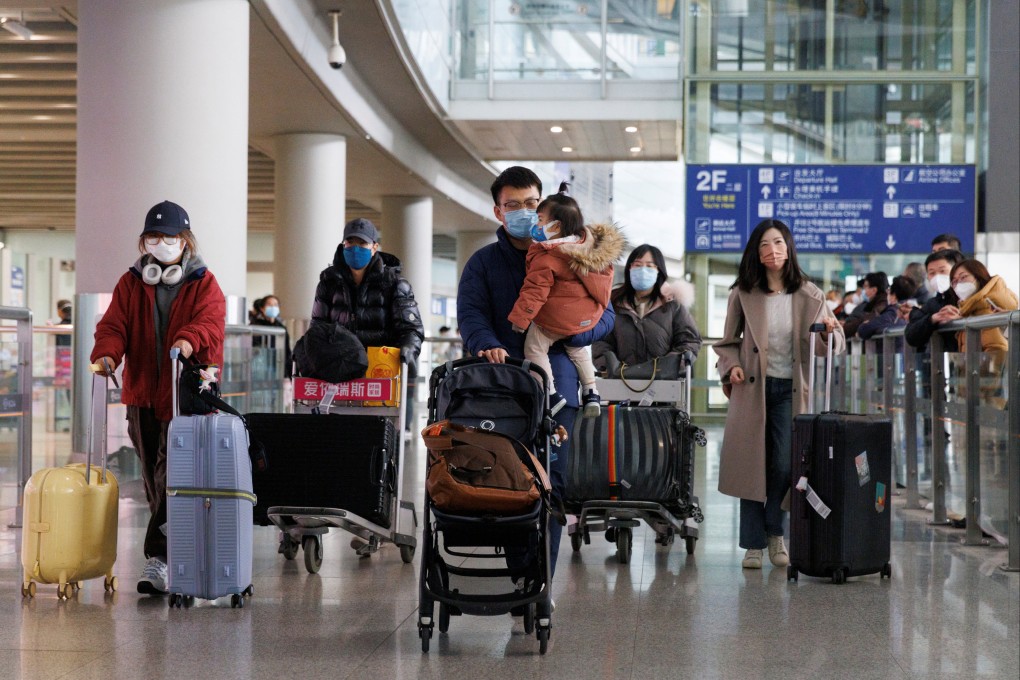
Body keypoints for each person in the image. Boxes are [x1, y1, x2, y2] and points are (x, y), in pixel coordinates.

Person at [457, 165, 615, 581]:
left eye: (532, 204)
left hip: (558, 379)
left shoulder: (578, 253)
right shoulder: (483, 263)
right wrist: (484, 342)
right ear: (498, 212)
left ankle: (539, 579)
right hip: (501, 381)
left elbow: (606, 316)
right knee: (507, 479)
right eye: (514, 205)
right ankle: (519, 572)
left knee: (552, 481)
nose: (526, 212)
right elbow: (471, 314)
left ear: (544, 207)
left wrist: (575, 331)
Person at [91, 200, 226, 595]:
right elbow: (114, 324)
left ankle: (161, 558)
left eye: (169, 237)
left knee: (174, 475)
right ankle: (174, 550)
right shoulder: (131, 282)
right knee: (152, 476)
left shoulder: (204, 282)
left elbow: (211, 322)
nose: (161, 244)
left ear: (185, 241)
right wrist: (106, 353)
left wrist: (188, 340)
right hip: (142, 395)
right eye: (154, 237)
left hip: (186, 393)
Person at [714, 218, 845, 570]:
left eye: (778, 243)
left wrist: (828, 330)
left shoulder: (809, 294)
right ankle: (753, 545)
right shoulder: (742, 292)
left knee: (785, 463)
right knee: (751, 465)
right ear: (754, 253)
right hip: (752, 391)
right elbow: (727, 343)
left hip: (790, 390)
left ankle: (776, 534)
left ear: (789, 248)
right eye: (763, 245)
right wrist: (731, 366)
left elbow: (834, 343)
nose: (771, 251)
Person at [508, 183, 624, 418]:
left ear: (555, 226)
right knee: (578, 349)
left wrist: (521, 319)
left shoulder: (548, 255)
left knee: (534, 346)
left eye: (540, 220)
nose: (536, 225)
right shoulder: (590, 251)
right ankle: (591, 391)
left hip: (555, 319)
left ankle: (550, 393)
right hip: (584, 320)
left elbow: (534, 290)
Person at [310, 217, 424, 370]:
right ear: (343, 245)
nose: (355, 249)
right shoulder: (329, 282)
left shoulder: (394, 284)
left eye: (363, 243)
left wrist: (409, 347)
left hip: (380, 368)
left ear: (374, 247)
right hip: (340, 369)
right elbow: (318, 327)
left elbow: (411, 329)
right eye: (350, 242)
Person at [592, 243, 702, 376]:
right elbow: (601, 341)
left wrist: (668, 366)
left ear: (658, 270)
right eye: (637, 265)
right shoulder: (614, 303)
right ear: (629, 268)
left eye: (649, 266)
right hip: (621, 384)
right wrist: (611, 367)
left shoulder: (673, 305)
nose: (643, 270)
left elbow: (689, 341)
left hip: (664, 386)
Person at [948, 259, 1018, 404]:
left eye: (963, 277)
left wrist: (983, 389)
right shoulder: (969, 311)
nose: (958, 284)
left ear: (978, 278)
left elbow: (998, 351)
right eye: (954, 281)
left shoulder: (986, 312)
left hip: (986, 398)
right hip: (977, 393)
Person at [904, 249, 966, 352]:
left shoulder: (970, 296)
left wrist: (961, 319)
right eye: (932, 273)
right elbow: (911, 335)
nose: (937, 277)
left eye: (942, 271)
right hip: (946, 362)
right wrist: (932, 319)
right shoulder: (933, 304)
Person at [858, 275, 918, 343]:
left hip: (893, 352)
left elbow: (865, 330)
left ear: (894, 296)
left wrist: (864, 325)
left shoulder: (894, 312)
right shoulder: (916, 310)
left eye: (889, 291)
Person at [251, 293, 292, 378]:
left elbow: (287, 351)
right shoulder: (255, 326)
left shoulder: (281, 328)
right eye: (269, 304)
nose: (273, 307)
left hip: (279, 368)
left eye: (275, 305)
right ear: (262, 308)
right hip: (260, 369)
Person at [842, 271, 889, 339]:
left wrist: (846, 327)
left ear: (874, 290)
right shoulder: (874, 304)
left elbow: (868, 319)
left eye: (866, 287)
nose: (864, 291)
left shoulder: (882, 304)